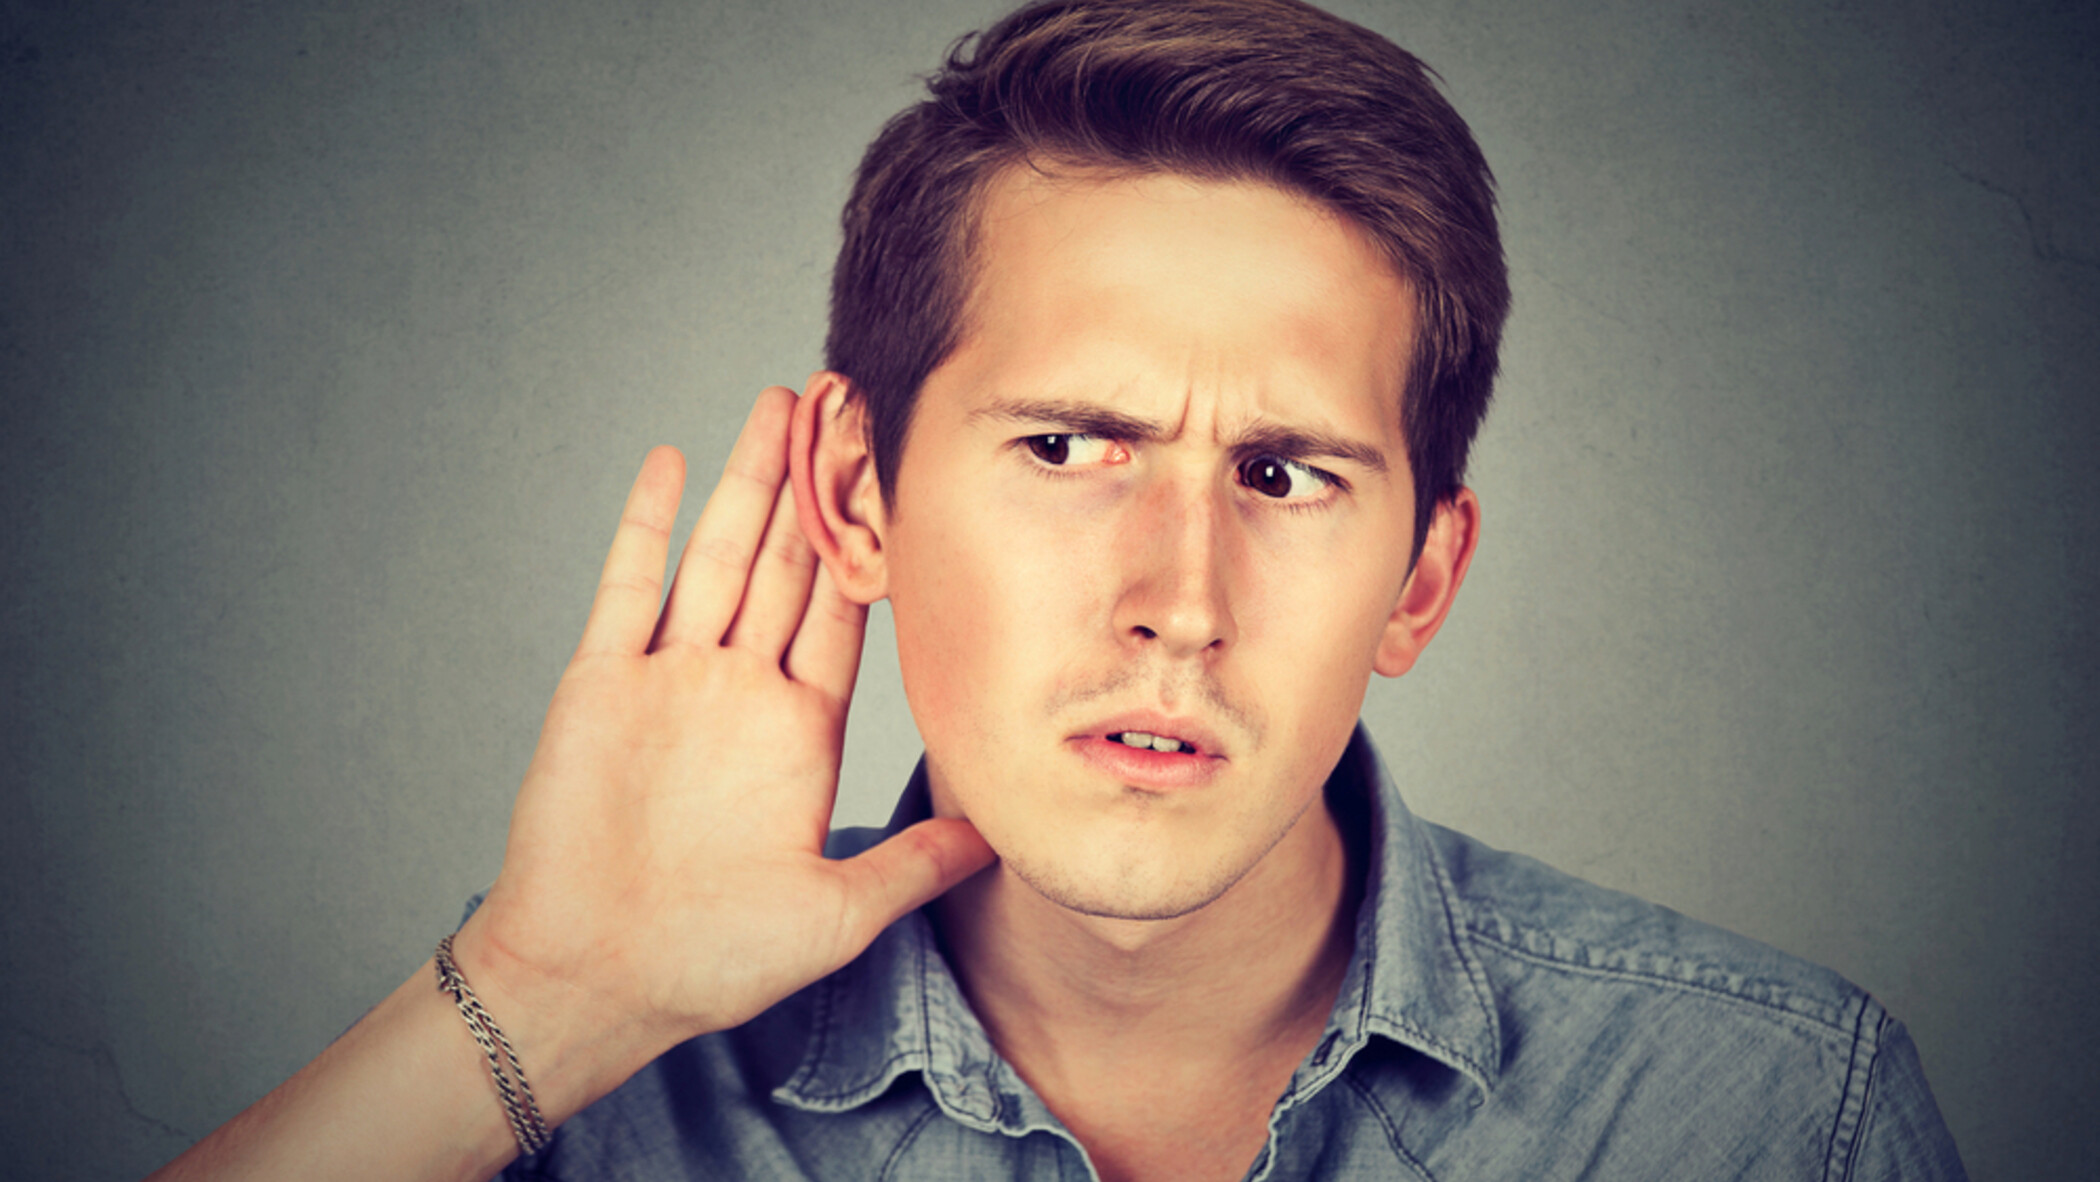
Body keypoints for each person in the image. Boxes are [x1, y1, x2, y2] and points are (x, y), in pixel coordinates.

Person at [151, 1, 1967, 1178]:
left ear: (1420, 581)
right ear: (857, 496)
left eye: (1283, 475)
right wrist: (542, 999)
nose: (1179, 598)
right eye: (1070, 446)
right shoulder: (589, 1091)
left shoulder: (1775, 1115)